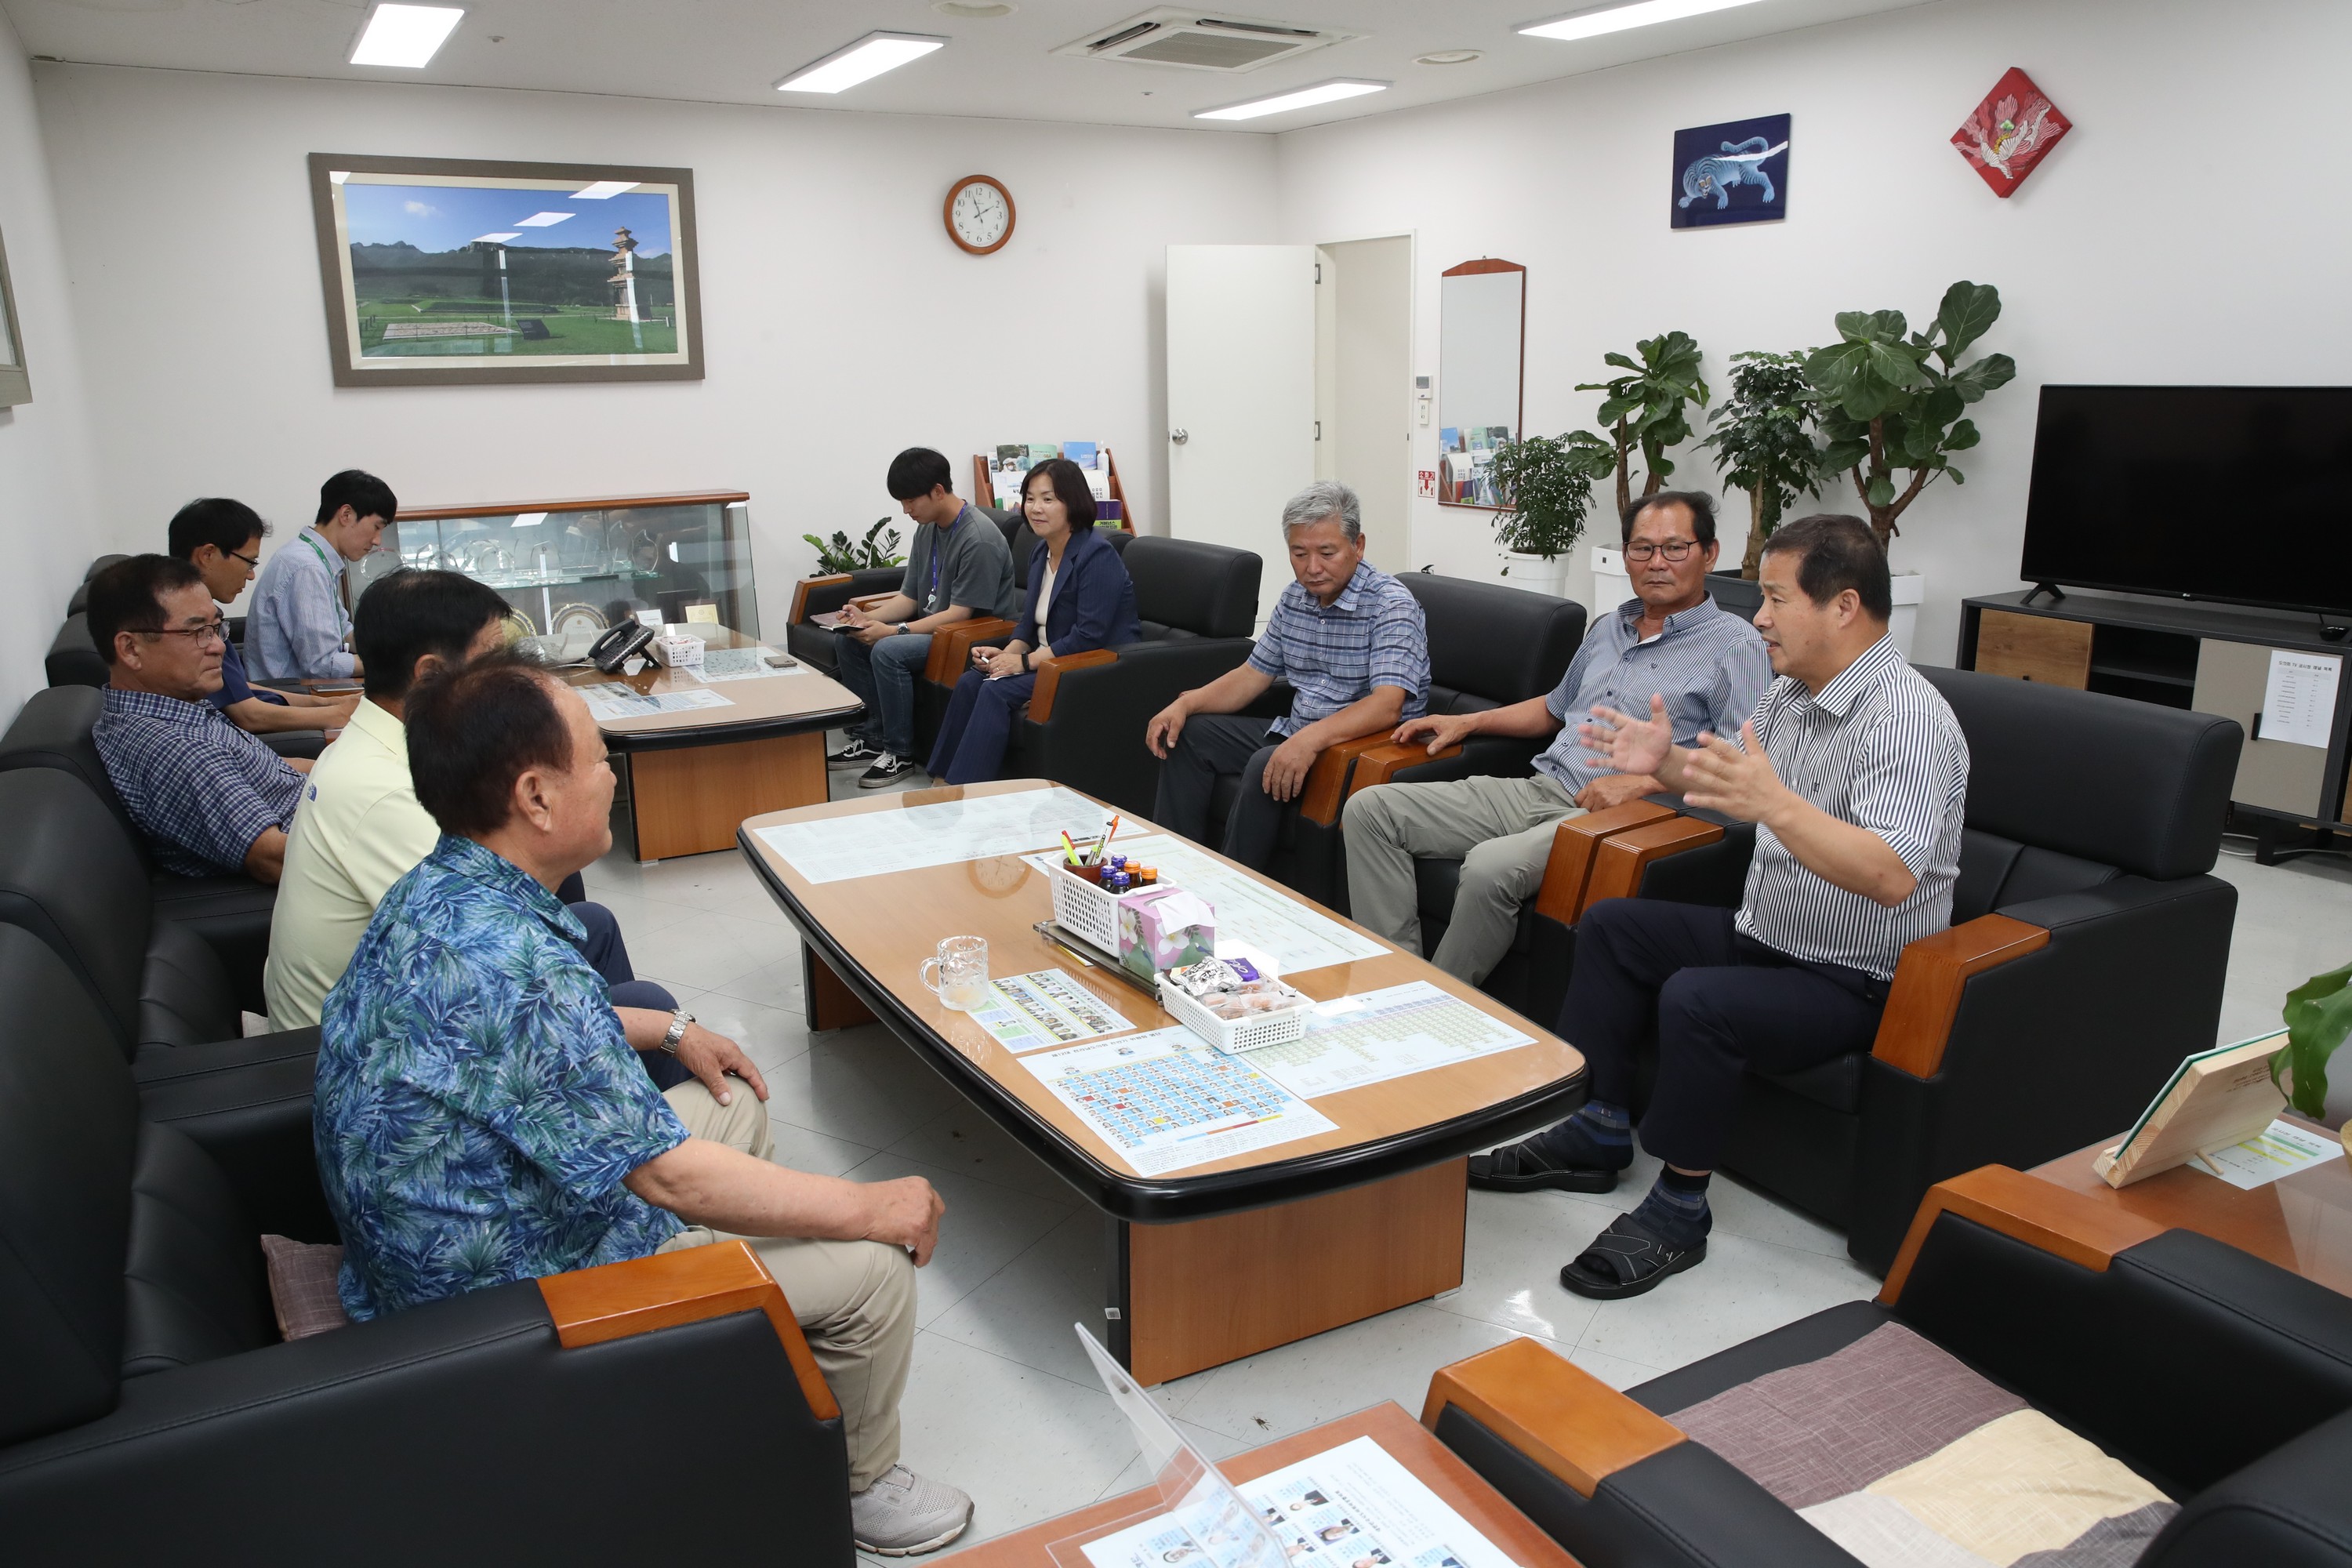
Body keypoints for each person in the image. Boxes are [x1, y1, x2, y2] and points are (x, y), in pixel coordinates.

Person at [314, 652, 974, 1553]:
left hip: (478, 1227)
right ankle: (856, 1485)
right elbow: (668, 1178)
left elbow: (532, 1037)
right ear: (537, 796)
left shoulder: (445, 889)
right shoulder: (515, 964)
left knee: (729, 1096)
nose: (611, 775)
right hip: (510, 1301)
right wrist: (866, 1205)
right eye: (596, 756)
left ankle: (747, 1334)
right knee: (872, 1268)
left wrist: (673, 1032)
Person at [1474, 514, 1967, 1302]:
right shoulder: (1789, 697)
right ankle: (1596, 1128)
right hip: (1766, 934)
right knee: (1612, 925)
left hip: (1856, 977)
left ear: (1842, 605)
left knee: (1698, 999)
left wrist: (1777, 805)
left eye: (1775, 598)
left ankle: (1678, 1207)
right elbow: (1735, 783)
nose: (1760, 616)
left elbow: (1891, 874)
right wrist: (1661, 761)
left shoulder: (1905, 719)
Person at [264, 572, 689, 1079]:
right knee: (651, 1007)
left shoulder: (374, 747)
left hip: (414, 997)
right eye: (492, 655)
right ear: (429, 675)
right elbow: (485, 961)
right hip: (385, 1050)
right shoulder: (384, 793)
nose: (508, 672)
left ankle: (619, 1091)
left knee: (592, 922)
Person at [1342, 493, 1769, 983]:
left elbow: (1745, 763)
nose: (1656, 564)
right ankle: (1392, 983)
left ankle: (1435, 1009)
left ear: (1710, 554)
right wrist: (1469, 722)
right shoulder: (1608, 627)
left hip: (1616, 814)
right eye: (1641, 549)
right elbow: (1553, 707)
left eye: (1675, 549)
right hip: (1539, 787)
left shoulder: (1736, 645)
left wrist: (1647, 785)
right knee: (1371, 811)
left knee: (1488, 867)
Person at [1147, 481, 1429, 870]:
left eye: (1326, 553)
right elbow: (1251, 676)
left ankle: (1232, 890)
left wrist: (1308, 741)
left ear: (1358, 545)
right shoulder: (1295, 598)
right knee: (1187, 735)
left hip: (1362, 748)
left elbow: (1387, 706)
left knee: (1268, 761)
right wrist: (1185, 703)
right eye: (1299, 553)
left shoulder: (1391, 606)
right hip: (1299, 732)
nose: (1312, 568)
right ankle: (1174, 868)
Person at [89, 554, 309, 884]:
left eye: (216, 627)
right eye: (197, 632)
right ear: (131, 649)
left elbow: (271, 770)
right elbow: (275, 858)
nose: (218, 646)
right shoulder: (177, 750)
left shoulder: (172, 707)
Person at [926, 457, 1138, 785]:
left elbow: (1088, 636)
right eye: (1030, 498)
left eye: (1048, 499)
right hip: (1047, 661)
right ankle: (940, 781)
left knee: (996, 692)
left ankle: (965, 792)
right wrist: (1004, 655)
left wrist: (1023, 663)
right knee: (970, 682)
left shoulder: (1097, 555)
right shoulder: (1041, 553)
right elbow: (1027, 623)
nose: (1036, 508)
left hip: (1090, 666)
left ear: (1073, 503)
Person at [828, 448, 1017, 789]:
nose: (906, 510)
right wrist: (866, 619)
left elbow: (960, 614)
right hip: (935, 629)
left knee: (888, 651)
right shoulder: (927, 529)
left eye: (910, 500)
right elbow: (909, 597)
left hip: (971, 636)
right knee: (849, 639)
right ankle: (871, 738)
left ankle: (899, 753)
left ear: (938, 491)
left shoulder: (979, 538)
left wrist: (893, 631)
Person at [167, 497, 359, 739]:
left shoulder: (206, 616)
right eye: (249, 562)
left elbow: (239, 688)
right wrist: (338, 714)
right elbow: (248, 715)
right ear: (207, 555)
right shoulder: (189, 628)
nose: (251, 575)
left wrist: (329, 704)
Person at [248, 468, 397, 681]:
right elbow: (322, 665)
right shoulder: (306, 567)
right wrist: (390, 662)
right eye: (376, 527)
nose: (377, 541)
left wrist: (393, 646)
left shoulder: (317, 559)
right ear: (346, 515)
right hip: (290, 699)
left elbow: (343, 631)